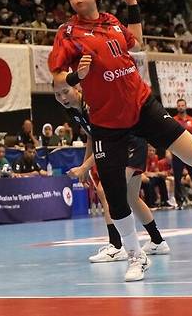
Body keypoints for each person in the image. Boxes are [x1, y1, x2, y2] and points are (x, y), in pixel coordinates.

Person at [49, 0, 192, 282]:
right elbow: (56, 78)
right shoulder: (67, 33)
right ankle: (136, 255)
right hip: (107, 122)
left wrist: (132, 2)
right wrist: (76, 76)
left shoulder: (112, 22)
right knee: (116, 195)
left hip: (141, 104)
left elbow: (137, 42)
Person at [53, 79, 169, 263]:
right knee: (131, 197)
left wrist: (84, 167)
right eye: (57, 95)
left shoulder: (92, 106)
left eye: (66, 92)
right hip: (124, 145)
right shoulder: (74, 111)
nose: (62, 97)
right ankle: (157, 241)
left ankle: (116, 247)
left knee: (106, 191)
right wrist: (85, 167)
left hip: (130, 143)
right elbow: (93, 137)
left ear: (77, 88)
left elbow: (105, 144)